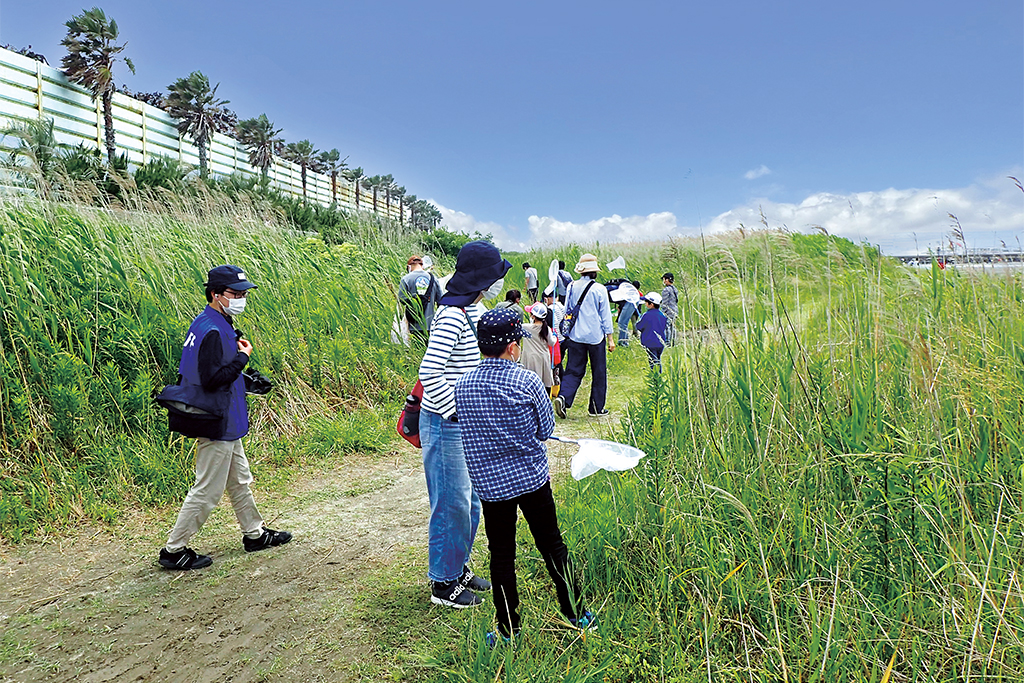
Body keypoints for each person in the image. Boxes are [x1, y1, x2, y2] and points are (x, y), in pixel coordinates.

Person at [454, 308, 595, 646]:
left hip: (491, 486)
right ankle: (576, 614)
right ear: (513, 346)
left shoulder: (463, 385)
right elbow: (546, 430)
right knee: (552, 546)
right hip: (532, 480)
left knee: (501, 555)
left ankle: (507, 631)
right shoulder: (527, 382)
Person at [159, 265, 292, 570]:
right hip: (217, 421)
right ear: (215, 294)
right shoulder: (215, 330)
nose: (241, 298)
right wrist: (243, 359)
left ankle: (255, 534)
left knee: (240, 480)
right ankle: (174, 549)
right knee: (206, 489)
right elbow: (211, 379)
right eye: (235, 293)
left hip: (227, 418)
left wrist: (245, 379)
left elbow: (210, 372)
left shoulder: (210, 322)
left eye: (244, 293)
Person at [419, 240, 512, 608]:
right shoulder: (453, 316)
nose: (498, 283)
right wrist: (452, 412)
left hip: (467, 423)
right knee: (451, 503)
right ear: (480, 279)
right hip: (446, 423)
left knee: (471, 504)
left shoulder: (475, 310)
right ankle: (443, 584)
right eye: (495, 277)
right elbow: (430, 372)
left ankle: (457, 568)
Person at [554, 254, 614, 418]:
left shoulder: (571, 286)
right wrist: (610, 338)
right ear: (595, 271)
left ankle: (563, 397)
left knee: (573, 370)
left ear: (581, 271)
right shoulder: (599, 289)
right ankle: (596, 408)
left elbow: (567, 310)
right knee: (599, 371)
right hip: (595, 336)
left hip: (575, 336)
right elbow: (605, 316)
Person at [399, 255, 442, 344]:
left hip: (413, 327)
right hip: (430, 325)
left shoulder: (406, 279)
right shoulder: (433, 279)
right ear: (422, 266)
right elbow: (440, 301)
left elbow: (402, 300)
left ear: (409, 267)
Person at [521, 303, 556, 390]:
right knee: (544, 382)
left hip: (529, 358)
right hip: (543, 358)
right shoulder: (546, 329)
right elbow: (551, 343)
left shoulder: (525, 327)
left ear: (533, 316)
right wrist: (554, 337)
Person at [635, 292, 668, 371]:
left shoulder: (646, 315)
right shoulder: (662, 315)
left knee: (653, 361)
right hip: (660, 343)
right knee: (657, 359)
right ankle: (658, 375)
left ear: (651, 304)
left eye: (646, 302)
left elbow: (639, 326)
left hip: (650, 342)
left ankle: (656, 378)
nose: (645, 303)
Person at [661, 272, 680, 345]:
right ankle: (674, 341)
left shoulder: (666, 290)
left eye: (664, 279)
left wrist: (662, 312)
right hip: (675, 309)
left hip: (669, 310)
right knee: (673, 326)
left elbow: (665, 303)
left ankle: (667, 342)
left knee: (666, 326)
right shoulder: (675, 289)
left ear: (667, 280)